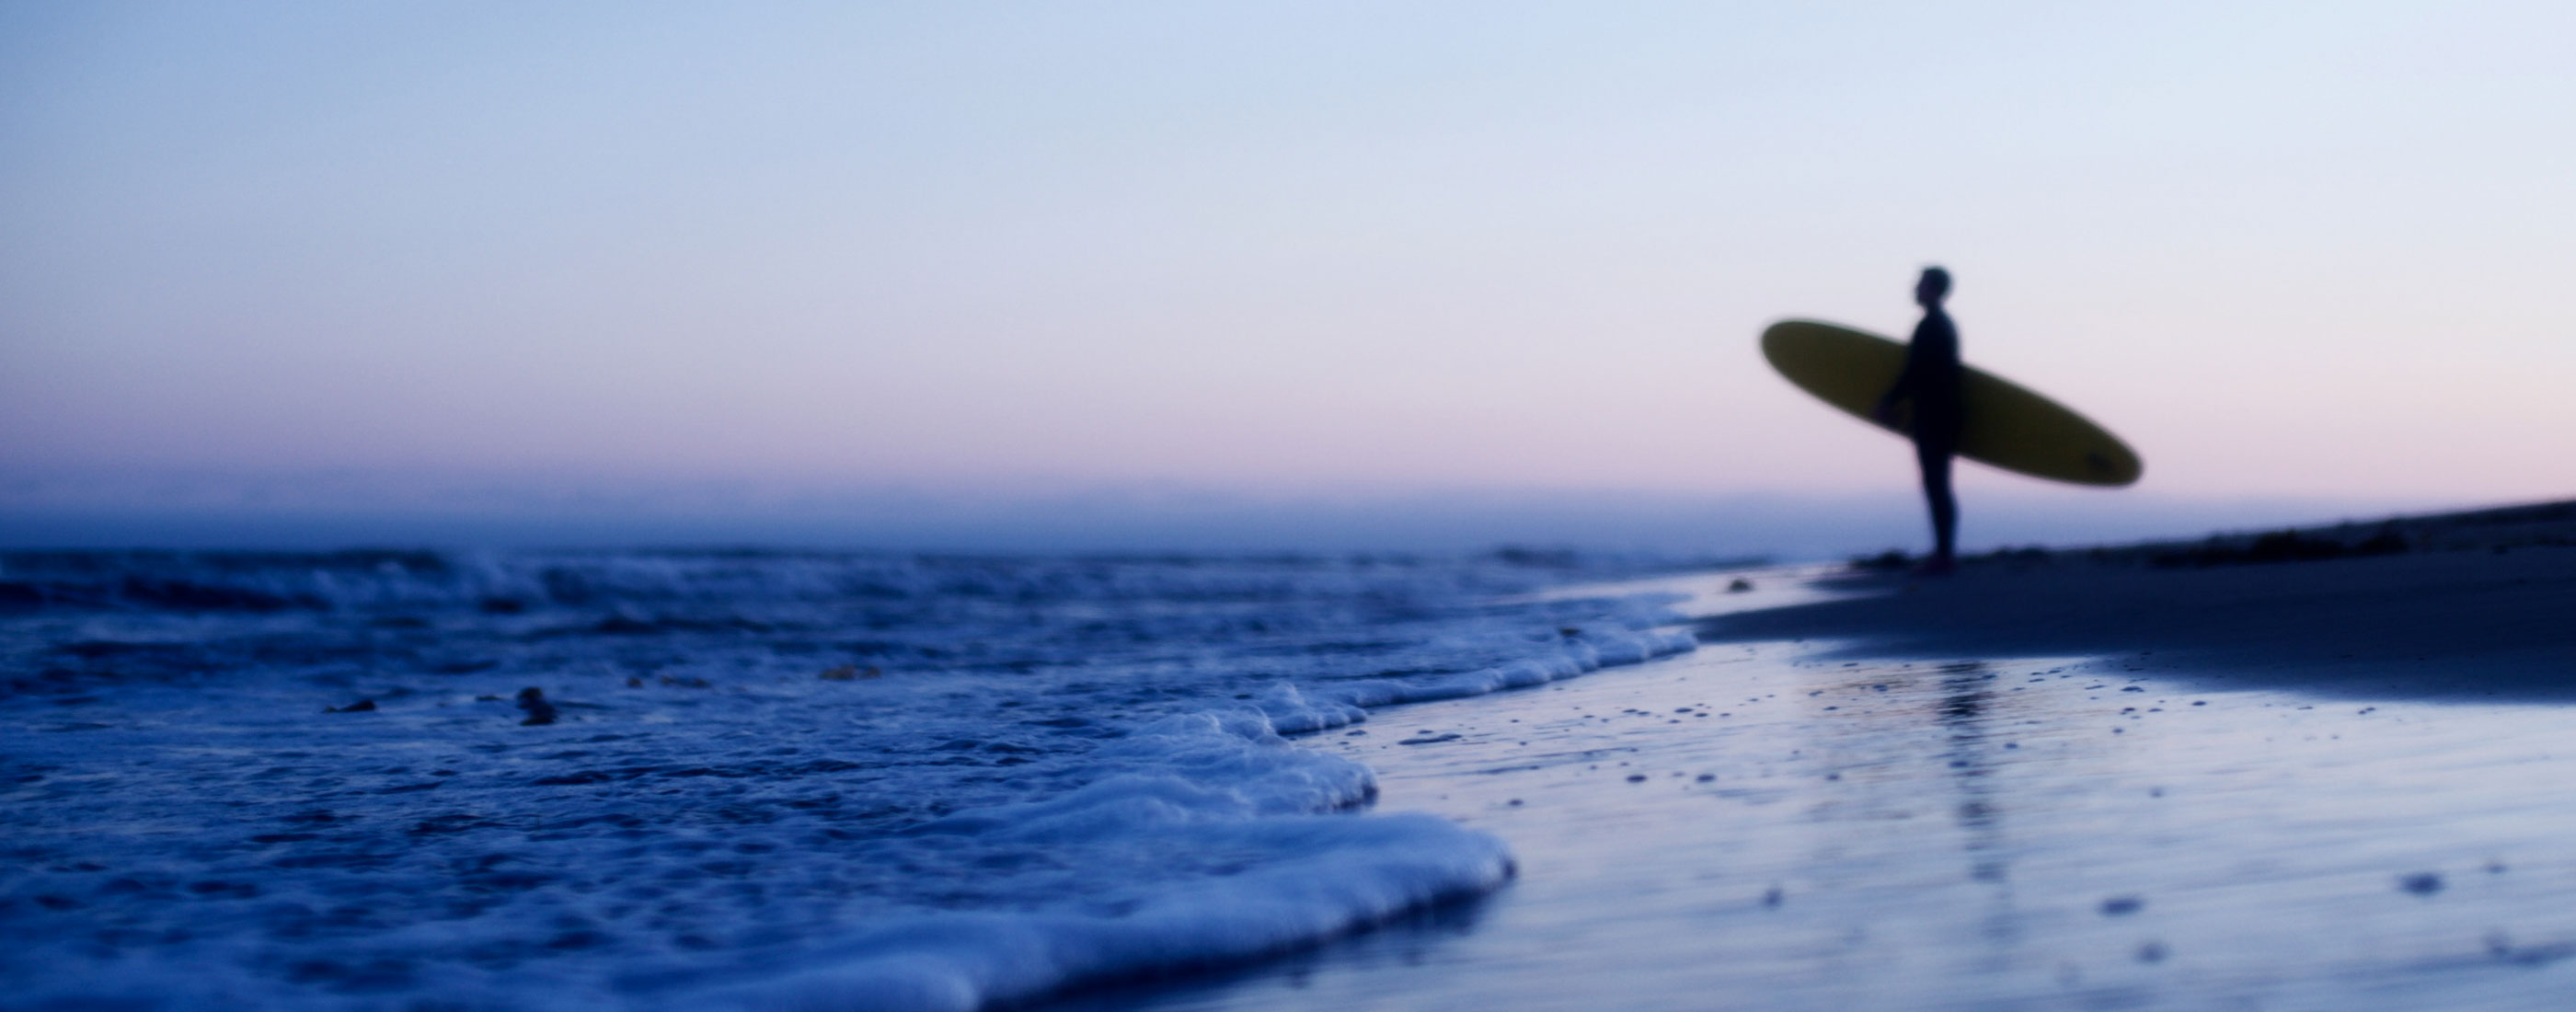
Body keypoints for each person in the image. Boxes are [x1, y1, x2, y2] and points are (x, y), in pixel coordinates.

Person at [1875, 267, 1962, 574]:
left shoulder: (1931, 326)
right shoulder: (1943, 325)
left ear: (1935, 290)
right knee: (1938, 484)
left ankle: (1944, 556)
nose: (1915, 289)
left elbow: (1917, 372)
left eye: (1921, 285)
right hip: (1943, 412)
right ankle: (1944, 553)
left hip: (1935, 415)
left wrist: (1889, 401)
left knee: (1936, 484)